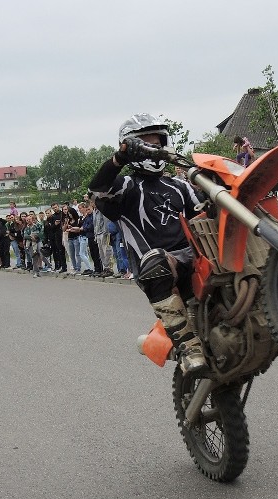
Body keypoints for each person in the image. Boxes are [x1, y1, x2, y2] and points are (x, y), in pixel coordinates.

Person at [89, 113, 206, 374]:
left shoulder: (180, 186)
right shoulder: (126, 185)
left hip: (194, 259)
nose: (154, 149)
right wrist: (119, 158)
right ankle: (188, 346)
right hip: (160, 266)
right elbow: (98, 189)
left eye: (157, 143)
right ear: (131, 147)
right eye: (146, 144)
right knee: (156, 262)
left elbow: (202, 213)